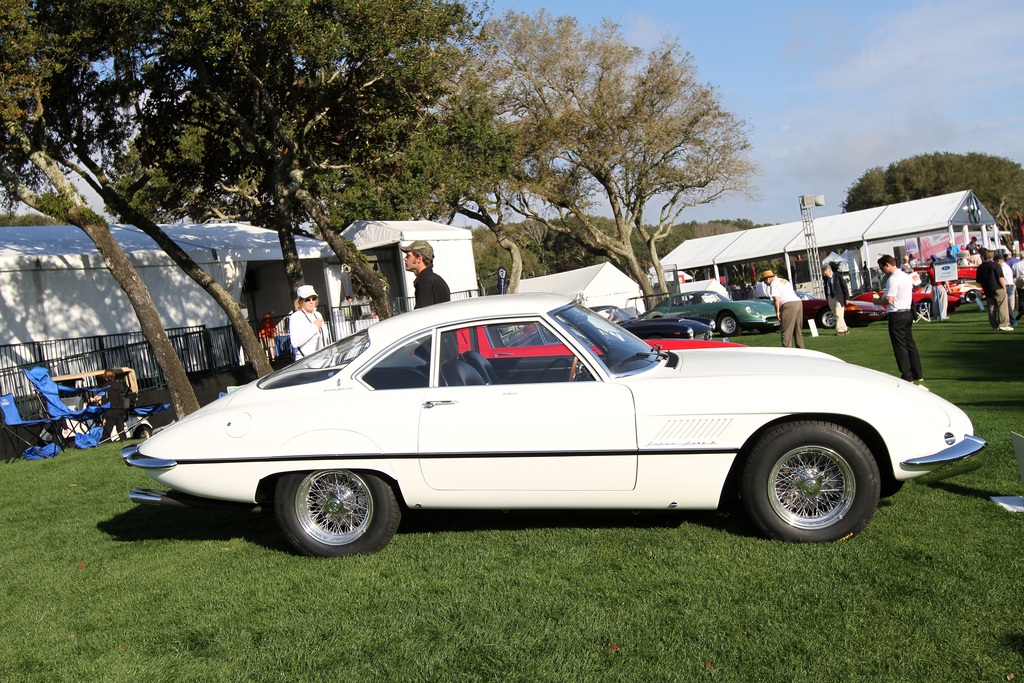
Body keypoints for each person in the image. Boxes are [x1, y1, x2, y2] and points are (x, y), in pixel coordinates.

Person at [877, 254, 924, 384]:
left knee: (899, 345)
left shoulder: (892, 279)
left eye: (882, 268)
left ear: (888, 265)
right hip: (907, 311)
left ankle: (907, 375)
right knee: (910, 343)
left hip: (897, 314)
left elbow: (889, 299)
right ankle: (917, 373)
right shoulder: (906, 276)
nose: (882, 271)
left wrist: (877, 301)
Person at [402, 240, 450, 309]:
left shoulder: (425, 281)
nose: (405, 259)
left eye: (408, 256)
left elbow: (422, 314)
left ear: (419, 258)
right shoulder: (435, 279)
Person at [761, 269, 803, 348]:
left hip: (788, 304)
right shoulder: (783, 280)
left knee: (786, 331)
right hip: (798, 302)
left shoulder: (774, 284)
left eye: (764, 280)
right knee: (797, 330)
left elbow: (776, 299)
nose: (764, 283)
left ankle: (787, 352)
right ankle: (801, 350)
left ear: (768, 279)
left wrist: (777, 311)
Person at [976, 249, 1012, 331]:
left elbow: (979, 281)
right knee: (1002, 306)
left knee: (991, 307)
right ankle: (1003, 324)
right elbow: (1000, 278)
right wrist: (1004, 287)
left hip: (987, 289)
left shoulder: (980, 267)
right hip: (997, 288)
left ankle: (994, 325)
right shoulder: (996, 265)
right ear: (992, 257)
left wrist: (984, 288)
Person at [290, 284, 327, 359]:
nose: (311, 302)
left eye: (314, 298)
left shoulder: (318, 314)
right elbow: (295, 342)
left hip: (322, 359)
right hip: (305, 362)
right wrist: (314, 327)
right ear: (300, 302)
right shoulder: (296, 317)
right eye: (307, 299)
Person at [89, 369, 127, 442]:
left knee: (107, 432)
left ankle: (106, 443)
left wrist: (104, 416)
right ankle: (124, 442)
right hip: (119, 409)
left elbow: (105, 401)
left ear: (105, 377)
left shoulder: (106, 387)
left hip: (110, 411)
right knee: (121, 430)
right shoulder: (118, 385)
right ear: (114, 376)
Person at [822, 262, 850, 336]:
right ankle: (845, 328)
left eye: (825, 273)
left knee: (838, 314)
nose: (825, 274)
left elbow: (844, 287)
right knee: (837, 315)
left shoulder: (838, 277)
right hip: (830, 297)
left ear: (829, 271)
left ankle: (840, 330)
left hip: (838, 298)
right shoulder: (825, 278)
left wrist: (847, 298)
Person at [998, 252, 1017, 326]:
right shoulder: (1006, 266)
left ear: (999, 261)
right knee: (1009, 304)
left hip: (1007, 286)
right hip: (1010, 285)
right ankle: (1011, 320)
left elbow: (1000, 277)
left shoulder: (1003, 267)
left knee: (1007, 304)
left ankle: (1013, 320)